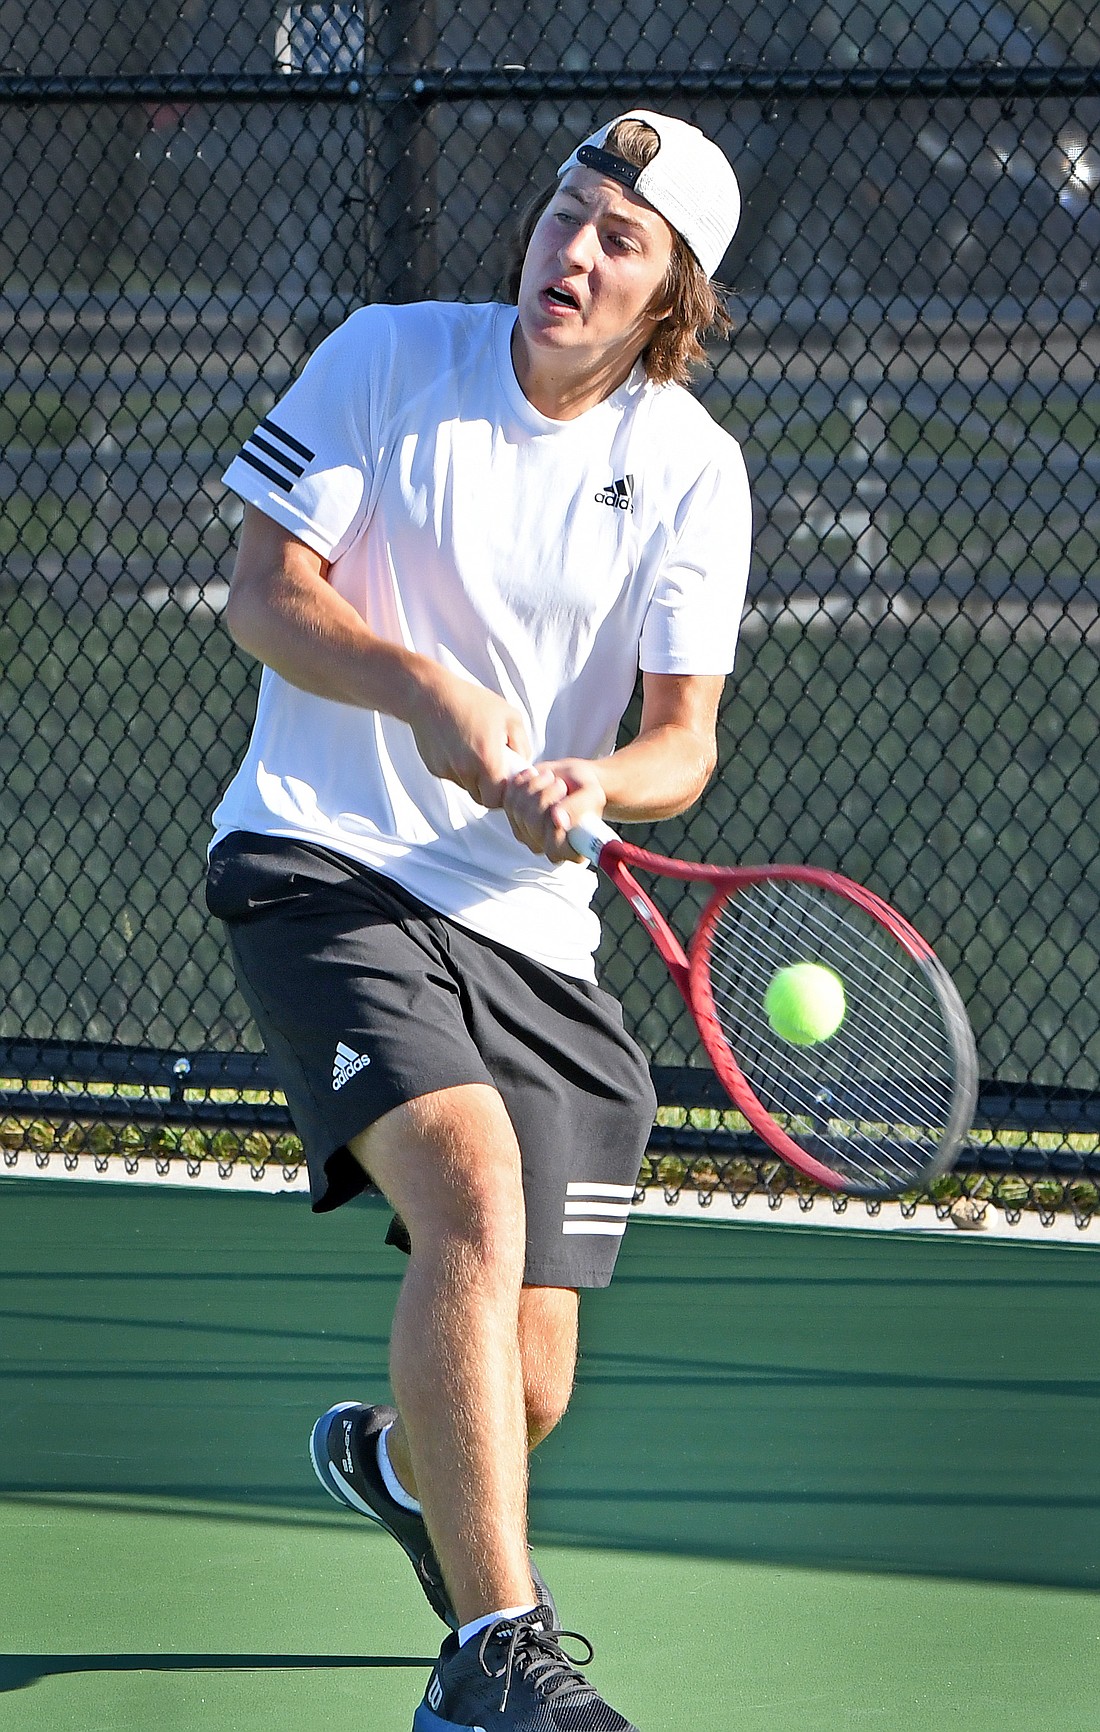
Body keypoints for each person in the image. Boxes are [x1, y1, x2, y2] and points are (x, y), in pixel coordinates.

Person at [206, 109, 751, 1732]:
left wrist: (600, 779)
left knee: (528, 1389)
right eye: (564, 215)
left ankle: (391, 1459)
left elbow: (685, 742)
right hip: (320, 858)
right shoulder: (386, 357)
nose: (570, 255)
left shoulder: (692, 471)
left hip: (532, 923)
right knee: (470, 1182)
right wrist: (422, 686)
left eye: (619, 241)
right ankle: (493, 1662)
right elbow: (263, 591)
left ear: (673, 297)